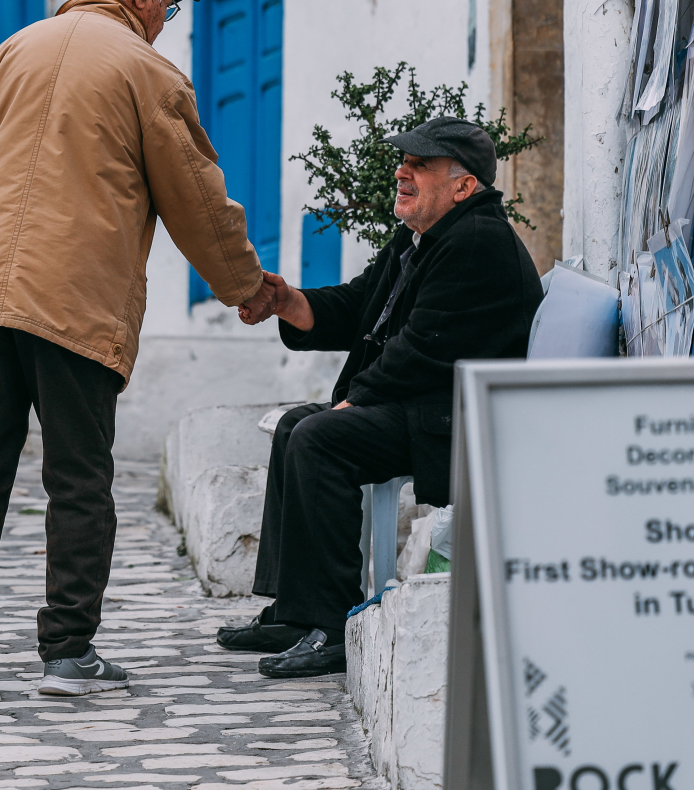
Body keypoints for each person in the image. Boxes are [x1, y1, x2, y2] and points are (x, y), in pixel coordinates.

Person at [0, 0, 281, 696]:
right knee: (78, 478)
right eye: (169, 6)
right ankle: (66, 652)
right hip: (72, 303)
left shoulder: (4, 57)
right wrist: (246, 287)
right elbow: (197, 200)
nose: (167, 21)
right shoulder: (148, 72)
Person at [218, 117, 544, 678]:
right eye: (405, 161)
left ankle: (331, 624)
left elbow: (422, 348)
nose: (402, 171)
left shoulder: (476, 240)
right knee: (299, 425)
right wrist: (288, 301)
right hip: (423, 405)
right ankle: (296, 612)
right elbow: (362, 305)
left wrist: (356, 401)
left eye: (421, 165)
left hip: (458, 418)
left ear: (464, 186)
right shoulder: (424, 236)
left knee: (322, 437)